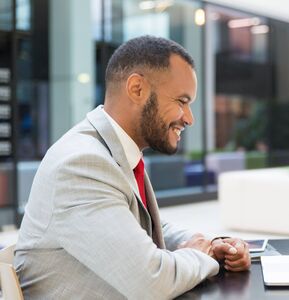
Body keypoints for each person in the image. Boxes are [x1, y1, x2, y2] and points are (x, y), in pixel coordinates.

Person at [14, 36, 250, 299]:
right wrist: (199, 255)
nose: (189, 118)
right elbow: (152, 281)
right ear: (137, 89)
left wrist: (211, 244)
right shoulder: (82, 163)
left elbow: (136, 228)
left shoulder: (113, 150)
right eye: (182, 101)